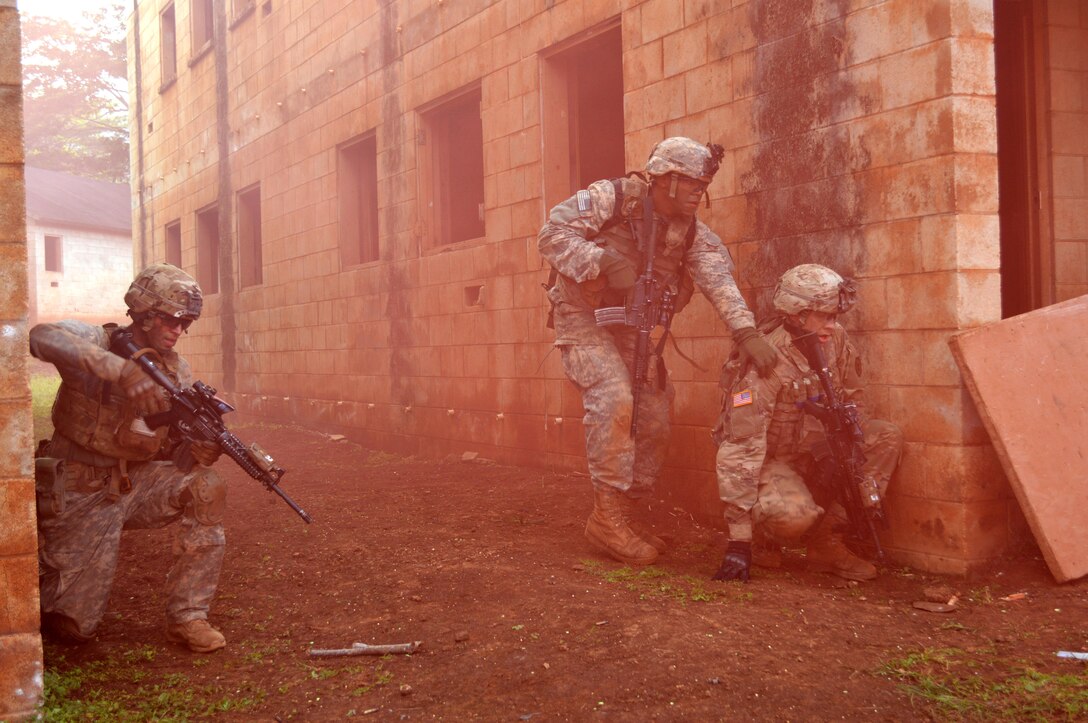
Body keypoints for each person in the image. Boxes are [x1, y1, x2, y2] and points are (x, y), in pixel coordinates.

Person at [538, 137, 777, 567]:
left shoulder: (691, 236)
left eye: (703, 185)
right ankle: (606, 520)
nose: (698, 193)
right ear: (666, 179)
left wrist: (746, 332)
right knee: (614, 396)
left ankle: (621, 513)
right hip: (583, 318)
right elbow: (551, 233)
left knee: (654, 412)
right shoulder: (609, 199)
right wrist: (603, 261)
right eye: (692, 184)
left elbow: (718, 280)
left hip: (633, 326)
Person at [31, 263, 229, 653]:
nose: (178, 330)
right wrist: (121, 372)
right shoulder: (99, 342)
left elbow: (172, 448)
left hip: (134, 484)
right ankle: (43, 576)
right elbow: (40, 336)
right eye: (171, 319)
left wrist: (200, 450)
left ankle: (188, 616)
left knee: (206, 487)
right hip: (79, 489)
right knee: (74, 626)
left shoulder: (176, 370)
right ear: (144, 312)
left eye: (185, 323)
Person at [711, 264, 903, 583]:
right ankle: (761, 538)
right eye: (823, 316)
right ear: (797, 314)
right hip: (771, 463)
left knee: (885, 437)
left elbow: (854, 397)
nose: (832, 325)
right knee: (793, 518)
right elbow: (740, 451)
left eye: (835, 317)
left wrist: (847, 448)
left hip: (815, 455)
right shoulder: (768, 359)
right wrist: (738, 542)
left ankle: (826, 542)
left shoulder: (835, 340)